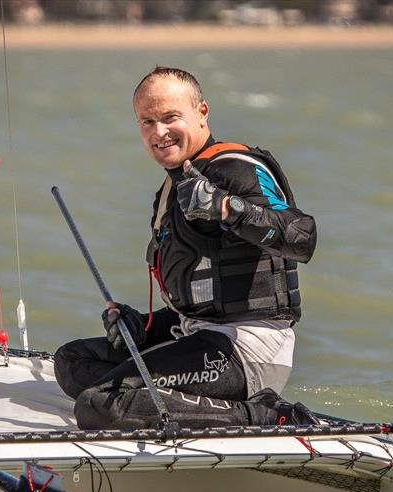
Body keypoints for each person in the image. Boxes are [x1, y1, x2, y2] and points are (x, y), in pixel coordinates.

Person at [54, 66, 318, 430]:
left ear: (202, 112)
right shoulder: (170, 189)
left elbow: (302, 238)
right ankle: (185, 399)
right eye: (147, 121)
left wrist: (228, 207)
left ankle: (271, 415)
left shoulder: (237, 168)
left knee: (99, 406)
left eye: (170, 117)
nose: (158, 133)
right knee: (72, 361)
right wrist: (143, 326)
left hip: (247, 348)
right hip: (196, 334)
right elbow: (203, 293)